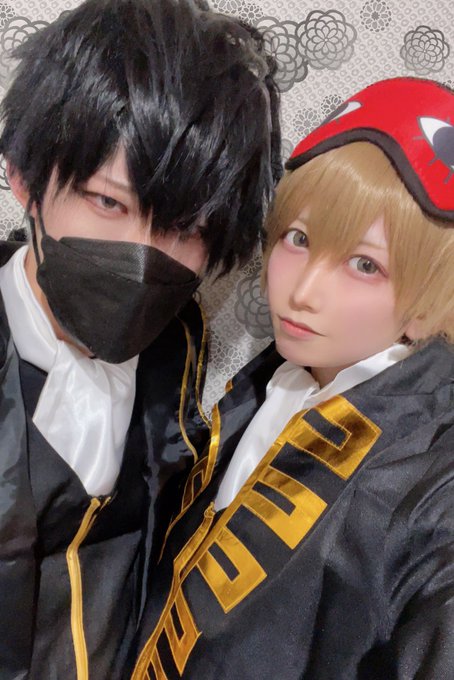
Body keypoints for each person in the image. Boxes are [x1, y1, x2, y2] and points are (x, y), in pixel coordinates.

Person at [131, 77, 454, 679]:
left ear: (432, 296)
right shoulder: (278, 382)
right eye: (299, 239)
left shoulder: (429, 477)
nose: (302, 292)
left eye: (365, 264)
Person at [0, 0, 281, 677]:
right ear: (24, 180)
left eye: (184, 229)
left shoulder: (179, 341)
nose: (143, 256)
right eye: (108, 202)